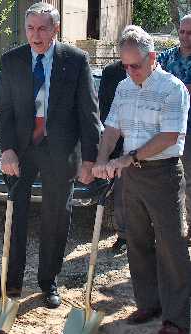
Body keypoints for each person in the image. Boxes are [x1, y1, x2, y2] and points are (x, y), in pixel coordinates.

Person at [0, 2, 101, 309]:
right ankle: (10, 279)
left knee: (56, 217)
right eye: (31, 28)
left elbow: (89, 112)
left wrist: (90, 159)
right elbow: (3, 111)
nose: (36, 35)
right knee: (14, 214)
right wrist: (7, 148)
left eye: (43, 28)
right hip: (19, 151)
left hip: (60, 152)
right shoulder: (11, 60)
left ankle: (49, 281)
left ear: (55, 29)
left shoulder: (76, 60)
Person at [92, 25, 191, 334]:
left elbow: (170, 136)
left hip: (163, 174)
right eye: (125, 64)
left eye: (135, 65)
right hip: (131, 177)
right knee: (136, 240)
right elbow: (112, 129)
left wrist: (128, 158)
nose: (130, 70)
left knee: (171, 246)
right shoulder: (124, 87)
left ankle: (177, 318)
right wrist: (101, 159)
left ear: (153, 58)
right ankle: (148, 303)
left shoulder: (172, 88)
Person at [157, 14, 191, 241]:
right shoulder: (165, 57)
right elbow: (153, 82)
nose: (186, 37)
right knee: (164, 180)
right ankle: (167, 230)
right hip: (164, 129)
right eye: (183, 32)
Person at [98, 60, 127, 253]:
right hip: (115, 137)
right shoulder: (110, 72)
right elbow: (104, 105)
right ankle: (123, 235)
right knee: (120, 191)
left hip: (142, 142)